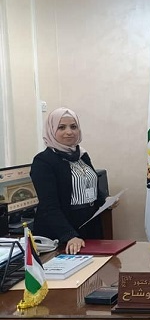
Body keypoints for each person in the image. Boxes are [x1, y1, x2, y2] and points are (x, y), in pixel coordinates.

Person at [30, 107, 106, 255]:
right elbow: (49, 206)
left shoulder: (82, 155)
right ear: (51, 130)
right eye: (61, 127)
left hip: (90, 224)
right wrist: (69, 235)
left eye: (73, 126)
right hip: (61, 233)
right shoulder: (43, 161)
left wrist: (105, 199)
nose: (69, 132)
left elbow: (89, 185)